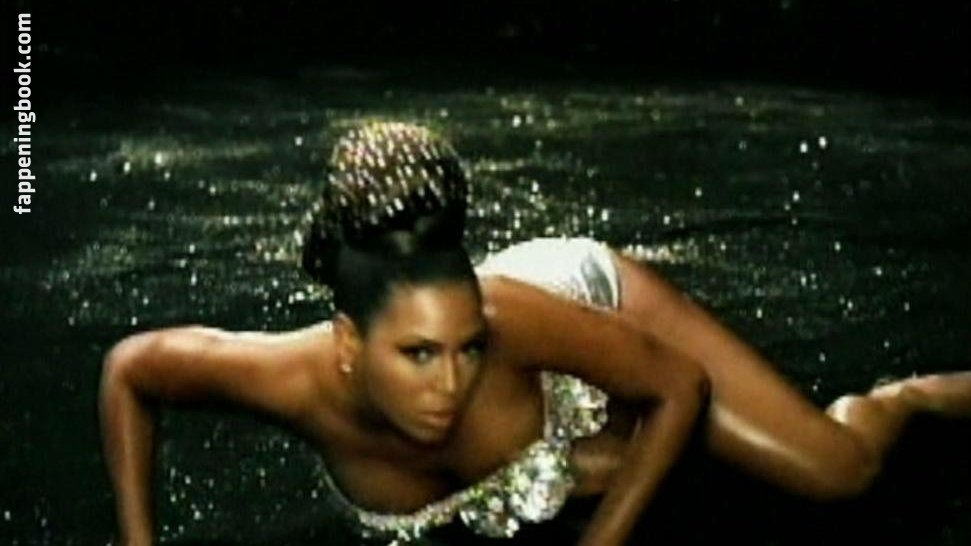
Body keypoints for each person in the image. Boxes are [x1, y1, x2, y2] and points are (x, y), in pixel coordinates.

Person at [99, 121, 971, 546]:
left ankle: (912, 399)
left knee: (835, 474)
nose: (450, 383)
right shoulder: (279, 377)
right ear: (348, 344)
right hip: (539, 419)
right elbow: (130, 371)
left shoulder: (509, 318)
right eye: (417, 355)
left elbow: (678, 384)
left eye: (466, 346)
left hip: (595, 309)